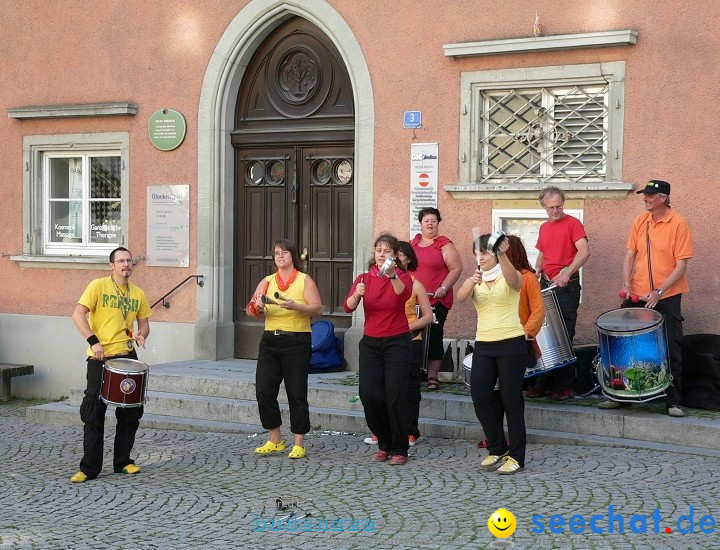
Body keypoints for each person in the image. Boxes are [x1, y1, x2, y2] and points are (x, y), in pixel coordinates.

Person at [599, 180, 692, 417]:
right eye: (645, 194)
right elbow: (630, 255)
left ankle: (672, 401)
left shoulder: (678, 223)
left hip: (667, 294)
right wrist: (626, 283)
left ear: (663, 197)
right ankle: (621, 395)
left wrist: (659, 291)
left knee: (671, 345)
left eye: (649, 195)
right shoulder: (640, 222)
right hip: (638, 293)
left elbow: (681, 265)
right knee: (624, 343)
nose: (645, 198)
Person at [70, 247, 152, 483]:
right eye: (121, 261)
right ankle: (89, 468)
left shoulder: (138, 293)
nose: (126, 264)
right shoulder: (98, 286)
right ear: (112, 265)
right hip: (100, 358)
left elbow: (144, 324)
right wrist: (93, 341)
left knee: (131, 411)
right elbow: (77, 314)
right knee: (94, 413)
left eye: (129, 261)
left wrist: (142, 335)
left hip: (126, 354)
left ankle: (123, 462)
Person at [456, 234, 530, 475]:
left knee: (511, 400)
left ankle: (517, 456)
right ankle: (497, 447)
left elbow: (515, 282)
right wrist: (470, 281)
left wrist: (502, 254)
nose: (481, 258)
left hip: (511, 342)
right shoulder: (477, 278)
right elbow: (460, 298)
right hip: (485, 344)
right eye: (477, 254)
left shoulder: (509, 273)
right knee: (480, 396)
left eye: (485, 253)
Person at [250, 239, 323, 459]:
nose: (280, 256)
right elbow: (251, 309)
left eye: (284, 252)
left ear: (293, 256)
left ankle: (298, 442)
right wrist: (258, 306)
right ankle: (275, 439)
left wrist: (296, 306)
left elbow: (317, 309)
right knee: (263, 390)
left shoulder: (304, 280)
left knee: (296, 392)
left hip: (297, 341)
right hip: (270, 340)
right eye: (276, 253)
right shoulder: (267, 281)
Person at [346, 234, 413, 465]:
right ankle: (383, 442)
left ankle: (399, 448)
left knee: (394, 396)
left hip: (397, 342)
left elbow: (403, 294)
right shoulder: (364, 278)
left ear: (395, 256)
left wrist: (393, 275)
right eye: (378, 250)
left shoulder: (402, 276)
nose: (381, 254)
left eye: (386, 251)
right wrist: (357, 294)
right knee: (369, 394)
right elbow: (348, 306)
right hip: (371, 343)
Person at [362, 242, 433, 448]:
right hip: (381, 339)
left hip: (408, 339)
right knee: (377, 390)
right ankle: (384, 431)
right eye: (380, 252)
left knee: (405, 390)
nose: (389, 258)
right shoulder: (374, 278)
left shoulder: (413, 283)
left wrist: (407, 327)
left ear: (406, 259)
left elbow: (428, 316)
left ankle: (409, 431)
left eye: (396, 255)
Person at [529, 186, 590, 401]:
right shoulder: (545, 227)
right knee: (543, 336)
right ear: (544, 207)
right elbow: (543, 253)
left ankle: (564, 386)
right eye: (551, 207)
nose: (555, 210)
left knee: (563, 334)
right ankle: (543, 382)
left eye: (559, 206)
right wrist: (536, 271)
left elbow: (584, 251)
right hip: (546, 284)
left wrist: (568, 272)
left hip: (566, 287)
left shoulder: (573, 224)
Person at [411, 207, 463, 390]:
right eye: (426, 221)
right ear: (421, 223)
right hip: (414, 300)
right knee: (413, 336)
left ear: (438, 223)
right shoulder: (414, 244)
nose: (430, 224)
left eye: (433, 221)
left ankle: (433, 376)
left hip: (436, 299)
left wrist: (444, 288)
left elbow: (456, 268)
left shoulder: (444, 244)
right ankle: (414, 371)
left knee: (433, 335)